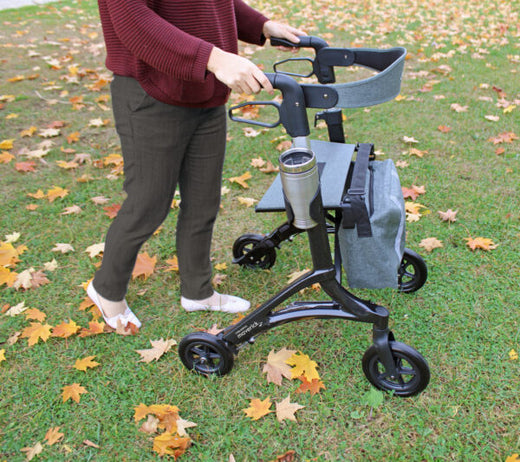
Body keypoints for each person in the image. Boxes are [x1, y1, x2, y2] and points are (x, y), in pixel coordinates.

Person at [86, 0, 305, 329]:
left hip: (206, 88)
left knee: (203, 200)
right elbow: (133, 21)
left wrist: (262, 25)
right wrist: (214, 58)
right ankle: (106, 289)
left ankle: (198, 291)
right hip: (150, 93)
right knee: (148, 203)